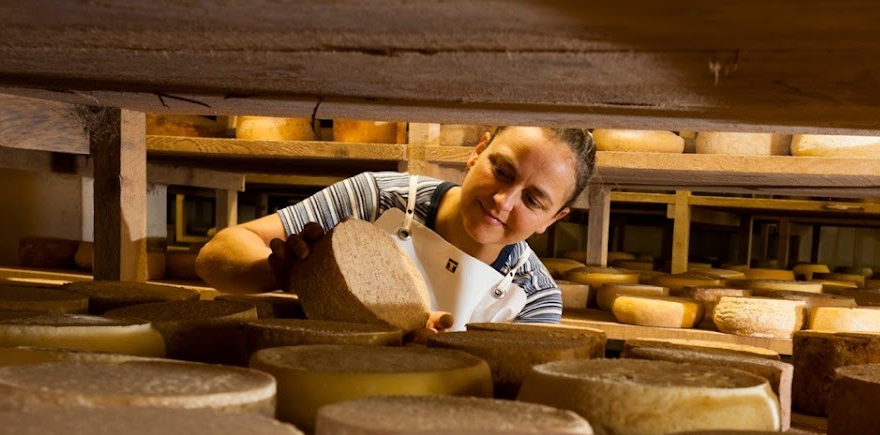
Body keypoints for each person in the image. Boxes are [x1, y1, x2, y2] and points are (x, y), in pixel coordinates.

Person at [195, 126, 596, 326]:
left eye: (533, 200)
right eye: (502, 171)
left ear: (553, 219)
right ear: (477, 152)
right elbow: (215, 255)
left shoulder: (536, 298)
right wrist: (283, 273)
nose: (503, 201)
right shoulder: (378, 197)